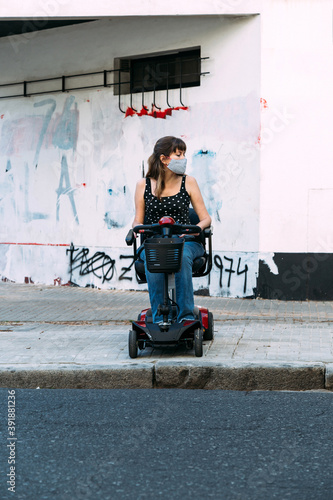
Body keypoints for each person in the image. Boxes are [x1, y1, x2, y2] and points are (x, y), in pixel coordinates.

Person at [132, 136, 211, 323]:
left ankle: (185, 317)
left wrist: (196, 229)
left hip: (185, 241)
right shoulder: (142, 185)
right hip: (154, 242)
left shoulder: (188, 182)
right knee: (155, 255)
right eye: (178, 154)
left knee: (181, 255)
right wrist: (137, 228)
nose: (183, 158)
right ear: (164, 158)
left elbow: (206, 218)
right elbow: (137, 220)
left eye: (184, 154)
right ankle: (160, 319)